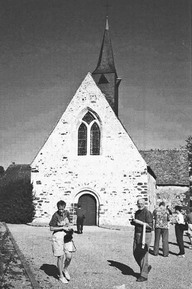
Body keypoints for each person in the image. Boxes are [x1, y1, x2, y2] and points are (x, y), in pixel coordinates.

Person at [49, 200, 75, 284]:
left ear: (64, 208)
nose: (61, 211)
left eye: (62, 209)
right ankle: (61, 276)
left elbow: (69, 223)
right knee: (60, 256)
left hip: (67, 236)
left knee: (69, 256)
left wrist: (69, 227)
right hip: (58, 236)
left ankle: (65, 269)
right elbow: (51, 228)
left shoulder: (67, 213)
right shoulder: (55, 215)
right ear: (58, 208)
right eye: (60, 209)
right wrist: (62, 228)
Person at [131, 198, 153, 282]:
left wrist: (139, 222)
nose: (140, 205)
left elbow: (150, 226)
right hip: (137, 234)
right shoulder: (137, 212)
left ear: (144, 204)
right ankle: (146, 267)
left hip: (145, 235)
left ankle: (144, 275)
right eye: (138, 203)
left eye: (141, 203)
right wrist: (133, 222)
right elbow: (137, 222)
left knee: (143, 254)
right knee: (135, 252)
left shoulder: (147, 213)